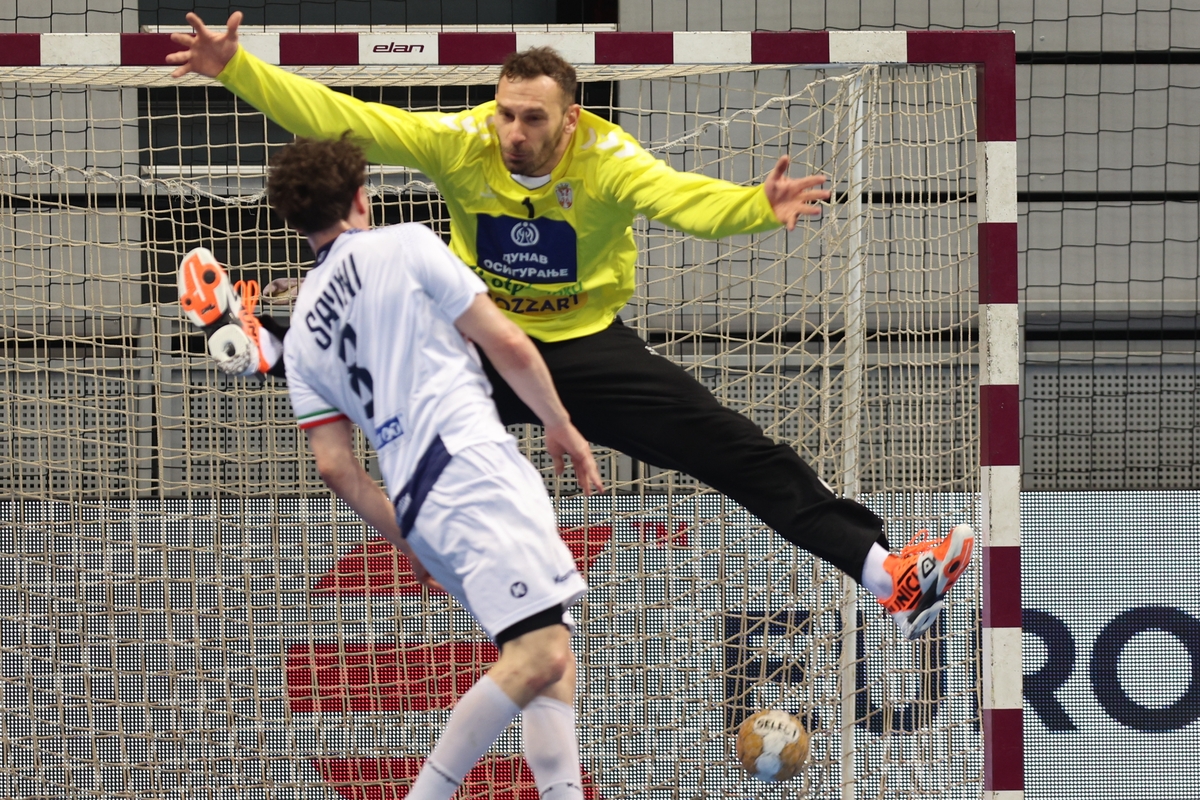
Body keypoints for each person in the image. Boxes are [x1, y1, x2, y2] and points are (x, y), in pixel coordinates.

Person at [168, 12, 974, 640]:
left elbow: (680, 200)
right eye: (505, 113)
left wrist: (753, 209)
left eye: (531, 119)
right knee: (382, 366)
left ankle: (888, 576)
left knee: (734, 449)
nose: (513, 131)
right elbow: (342, 113)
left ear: (570, 119)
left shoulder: (609, 159)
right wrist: (234, 68)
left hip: (588, 347)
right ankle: (267, 342)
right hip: (482, 342)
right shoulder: (463, 143)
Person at [239, 133, 603, 800]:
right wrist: (560, 423)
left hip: (420, 504)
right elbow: (508, 343)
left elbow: (335, 468)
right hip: (470, 467)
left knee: (554, 662)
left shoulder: (304, 336)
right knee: (542, 653)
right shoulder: (404, 244)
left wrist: (408, 538)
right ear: (359, 197)